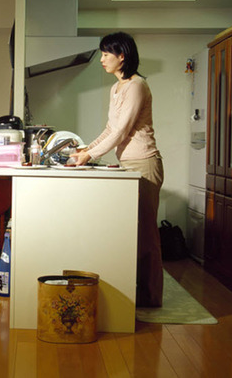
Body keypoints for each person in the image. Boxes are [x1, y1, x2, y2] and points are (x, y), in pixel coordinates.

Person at [69, 31, 164, 307]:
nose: (102, 59)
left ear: (122, 56)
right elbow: (110, 128)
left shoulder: (137, 85)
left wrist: (90, 155)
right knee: (133, 232)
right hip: (128, 165)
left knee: (146, 234)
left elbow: (122, 131)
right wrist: (85, 149)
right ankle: (138, 293)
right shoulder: (116, 88)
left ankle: (151, 297)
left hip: (145, 163)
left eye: (106, 54)